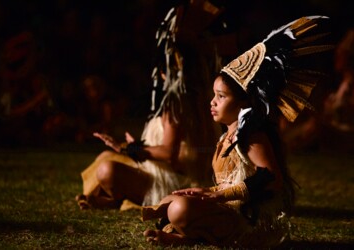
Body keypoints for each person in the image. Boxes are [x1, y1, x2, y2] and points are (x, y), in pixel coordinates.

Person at [141, 15, 334, 248]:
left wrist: (216, 196)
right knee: (175, 198)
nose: (212, 102)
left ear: (243, 102)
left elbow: (271, 179)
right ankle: (186, 233)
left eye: (221, 97)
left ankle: (187, 235)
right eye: (214, 95)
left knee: (179, 208)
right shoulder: (226, 136)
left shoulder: (252, 136)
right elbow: (228, 183)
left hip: (247, 221)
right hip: (228, 209)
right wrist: (204, 190)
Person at [75, 1, 231, 210]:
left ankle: (117, 197)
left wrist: (132, 148)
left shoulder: (176, 103)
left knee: (106, 170)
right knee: (106, 156)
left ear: (165, 70)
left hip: (173, 182)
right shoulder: (205, 96)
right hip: (186, 176)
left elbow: (169, 153)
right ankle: (112, 198)